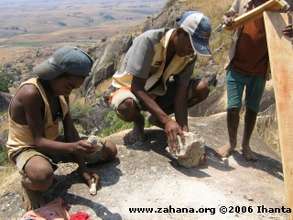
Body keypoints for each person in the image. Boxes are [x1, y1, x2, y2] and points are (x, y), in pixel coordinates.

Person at [6, 47, 117, 209]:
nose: (70, 91)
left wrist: (83, 169)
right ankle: (28, 184)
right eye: (69, 85)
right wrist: (74, 147)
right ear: (55, 75)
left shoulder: (61, 90)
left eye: (74, 88)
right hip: (27, 147)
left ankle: (50, 165)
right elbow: (38, 141)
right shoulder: (31, 93)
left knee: (109, 149)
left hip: (53, 142)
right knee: (43, 177)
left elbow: (70, 131)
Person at [106, 11, 215, 152]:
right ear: (180, 32)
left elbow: (181, 93)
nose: (191, 51)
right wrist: (167, 120)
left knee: (202, 88)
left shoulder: (189, 56)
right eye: (191, 45)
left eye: (195, 48)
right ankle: (139, 121)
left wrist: (184, 132)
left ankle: (157, 119)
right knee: (126, 106)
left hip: (157, 92)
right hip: (130, 90)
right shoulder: (149, 41)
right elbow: (137, 87)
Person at [216, 0, 293, 161]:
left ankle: (246, 145)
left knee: (252, 109)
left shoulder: (279, 6)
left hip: (259, 69)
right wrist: (227, 19)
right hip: (236, 66)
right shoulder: (243, 2)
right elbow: (228, 17)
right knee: (233, 107)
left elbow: (287, 27)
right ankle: (231, 143)